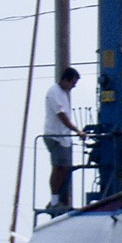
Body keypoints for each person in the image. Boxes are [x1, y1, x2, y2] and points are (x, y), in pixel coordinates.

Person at [44, 67, 86, 214]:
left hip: (64, 138)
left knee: (66, 168)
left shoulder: (64, 93)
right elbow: (62, 116)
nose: (74, 86)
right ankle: (54, 201)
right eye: (73, 83)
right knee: (58, 167)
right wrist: (77, 131)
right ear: (65, 80)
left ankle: (59, 200)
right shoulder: (54, 92)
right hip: (55, 136)